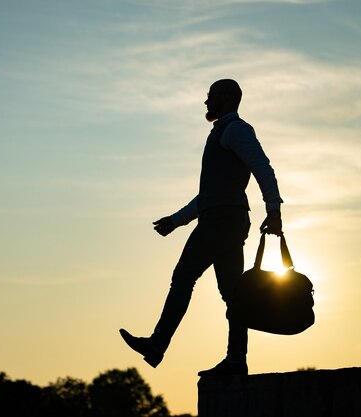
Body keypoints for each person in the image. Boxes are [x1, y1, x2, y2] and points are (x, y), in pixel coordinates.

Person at [120, 79, 283, 376]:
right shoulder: (223, 133)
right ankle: (236, 361)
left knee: (183, 277)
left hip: (222, 221)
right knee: (233, 295)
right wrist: (177, 220)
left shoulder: (236, 130)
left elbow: (263, 168)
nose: (205, 102)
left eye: (210, 96)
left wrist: (274, 210)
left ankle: (157, 345)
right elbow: (210, 193)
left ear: (225, 98)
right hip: (223, 219)